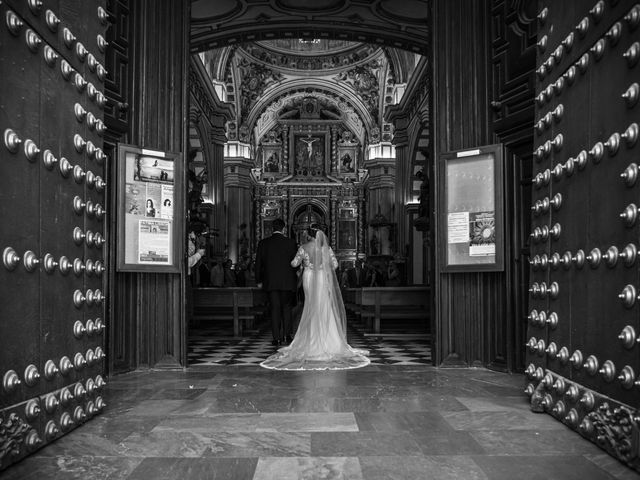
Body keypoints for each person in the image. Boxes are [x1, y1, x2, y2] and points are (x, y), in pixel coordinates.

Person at [260, 224, 370, 371]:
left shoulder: (304, 247)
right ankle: (330, 341)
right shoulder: (326, 249)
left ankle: (311, 341)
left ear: (309, 235)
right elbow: (335, 265)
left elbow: (294, 263)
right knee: (324, 305)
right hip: (322, 278)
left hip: (309, 277)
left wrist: (305, 265)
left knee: (310, 305)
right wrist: (322, 266)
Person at [255, 218, 298, 346]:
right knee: (286, 308)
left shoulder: (263, 243)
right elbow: (295, 264)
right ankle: (287, 335)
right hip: (287, 282)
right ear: (283, 228)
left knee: (274, 309)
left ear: (272, 229)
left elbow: (258, 264)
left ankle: (276, 338)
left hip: (271, 282)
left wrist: (259, 280)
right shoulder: (290, 243)